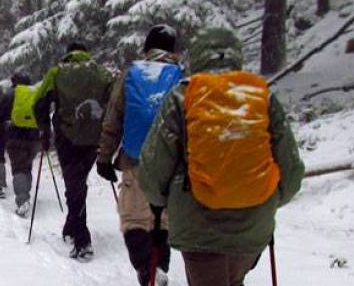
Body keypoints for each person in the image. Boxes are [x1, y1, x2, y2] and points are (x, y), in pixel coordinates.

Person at [137, 27, 304, 286]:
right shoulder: (260, 97)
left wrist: (163, 202)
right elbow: (291, 173)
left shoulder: (181, 98)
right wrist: (264, 200)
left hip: (197, 229)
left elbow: (152, 171)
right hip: (253, 228)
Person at [95, 25, 184, 285]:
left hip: (135, 160)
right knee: (162, 222)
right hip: (171, 164)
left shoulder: (131, 74)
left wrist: (104, 157)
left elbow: (113, 118)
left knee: (134, 220)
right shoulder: (182, 77)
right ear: (172, 49)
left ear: (147, 48)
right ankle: (159, 272)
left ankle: (148, 271)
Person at [34, 42, 115, 262]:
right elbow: (116, 101)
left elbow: (38, 103)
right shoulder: (102, 73)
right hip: (93, 137)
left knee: (74, 183)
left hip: (67, 137)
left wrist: (44, 130)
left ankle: (82, 241)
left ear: (68, 55)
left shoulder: (57, 73)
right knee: (77, 182)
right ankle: (71, 226)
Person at [0, 73, 43, 217]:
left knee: (19, 168)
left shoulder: (10, 95)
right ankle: (25, 193)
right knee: (27, 166)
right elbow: (43, 115)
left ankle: (22, 199)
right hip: (34, 138)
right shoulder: (35, 94)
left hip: (15, 136)